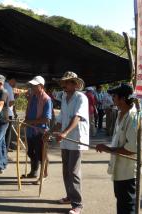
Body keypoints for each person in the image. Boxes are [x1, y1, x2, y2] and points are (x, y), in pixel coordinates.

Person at [96, 83, 142, 214]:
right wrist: (109, 149)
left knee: (128, 206)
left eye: (114, 96)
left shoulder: (135, 117)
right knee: (121, 203)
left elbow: (132, 149)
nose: (112, 98)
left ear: (123, 99)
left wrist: (108, 149)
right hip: (119, 169)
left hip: (129, 171)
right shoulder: (120, 114)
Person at [53, 71, 88, 214]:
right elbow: (60, 119)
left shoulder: (81, 97)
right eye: (63, 82)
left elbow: (77, 117)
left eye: (67, 82)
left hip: (76, 139)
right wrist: (51, 131)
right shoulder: (64, 97)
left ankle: (77, 204)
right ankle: (69, 196)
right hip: (65, 140)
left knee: (73, 171)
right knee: (66, 171)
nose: (64, 85)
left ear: (74, 84)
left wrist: (64, 133)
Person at [23, 76, 52, 183]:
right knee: (30, 152)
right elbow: (29, 112)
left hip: (40, 132)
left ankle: (44, 174)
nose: (33, 87)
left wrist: (30, 122)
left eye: (35, 85)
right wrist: (26, 121)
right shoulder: (32, 97)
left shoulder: (46, 99)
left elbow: (46, 119)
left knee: (41, 154)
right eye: (32, 85)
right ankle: (34, 172)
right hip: (30, 131)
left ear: (41, 86)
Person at [4, 76, 16, 152]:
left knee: (2, 131)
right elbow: (11, 102)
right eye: (15, 82)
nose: (15, 84)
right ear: (11, 80)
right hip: (8, 113)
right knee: (8, 132)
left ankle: (3, 147)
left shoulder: (2, 86)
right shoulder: (9, 87)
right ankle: (6, 148)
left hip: (2, 112)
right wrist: (15, 99)